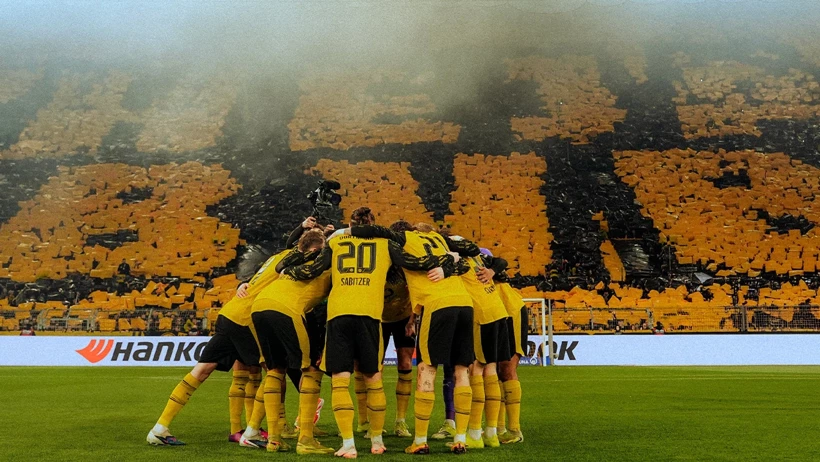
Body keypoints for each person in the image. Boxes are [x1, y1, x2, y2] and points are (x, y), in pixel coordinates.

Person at [287, 208, 449, 458]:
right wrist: (448, 261)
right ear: (372, 224)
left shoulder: (336, 242)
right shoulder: (385, 244)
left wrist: (288, 270)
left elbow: (313, 269)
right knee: (374, 379)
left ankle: (348, 444)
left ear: (351, 224)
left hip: (339, 315)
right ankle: (377, 441)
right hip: (371, 317)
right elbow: (414, 262)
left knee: (341, 380)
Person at [146, 246, 307, 446]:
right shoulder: (291, 260)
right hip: (245, 319)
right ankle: (257, 431)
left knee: (202, 370)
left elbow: (257, 277)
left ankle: (159, 428)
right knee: (275, 373)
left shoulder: (272, 259)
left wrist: (242, 284)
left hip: (229, 314)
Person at [348, 220, 479, 455]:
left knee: (427, 368)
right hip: (464, 304)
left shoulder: (407, 239)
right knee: (461, 370)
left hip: (437, 305)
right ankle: (460, 439)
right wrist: (450, 260)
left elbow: (376, 231)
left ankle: (419, 441)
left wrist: (347, 231)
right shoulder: (440, 240)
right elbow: (472, 249)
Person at [239, 229, 331, 453]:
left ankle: (274, 440)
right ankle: (306, 439)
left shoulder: (291, 262)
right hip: (286, 309)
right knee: (310, 370)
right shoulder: (328, 264)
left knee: (275, 370)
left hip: (260, 306)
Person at [450, 245, 511, 449]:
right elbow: (502, 261)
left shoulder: (458, 263)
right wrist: (493, 271)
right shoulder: (478, 258)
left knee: (476, 368)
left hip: (482, 316)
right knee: (491, 369)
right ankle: (491, 435)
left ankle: (475, 434)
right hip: (499, 313)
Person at [493, 266, 527, 444]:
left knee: (507, 369)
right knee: (495, 372)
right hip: (493, 311)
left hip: (510, 312)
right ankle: (499, 429)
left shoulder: (482, 259)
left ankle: (514, 429)